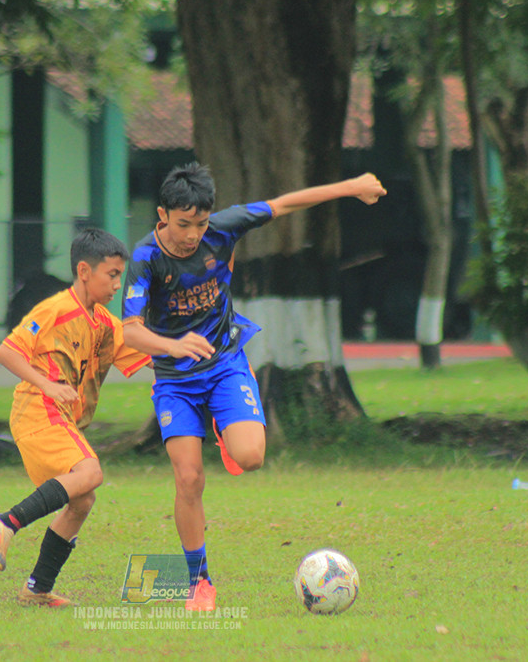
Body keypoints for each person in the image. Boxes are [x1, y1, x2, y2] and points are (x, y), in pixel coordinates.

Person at [120, 162, 387, 612]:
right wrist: (173, 344)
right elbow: (130, 331)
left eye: (200, 224)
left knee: (251, 457)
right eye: (184, 224)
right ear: (162, 215)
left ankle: (227, 433)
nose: (193, 234)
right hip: (175, 380)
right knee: (189, 478)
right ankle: (199, 583)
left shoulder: (223, 229)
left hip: (224, 364)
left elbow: (286, 202)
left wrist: (352, 186)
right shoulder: (145, 258)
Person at [0, 228, 151, 607]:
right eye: (112, 275)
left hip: (59, 418)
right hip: (38, 408)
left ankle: (36, 589)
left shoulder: (104, 322)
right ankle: (5, 522)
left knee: (82, 499)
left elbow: (145, 355)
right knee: (91, 473)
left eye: (121, 276)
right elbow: (7, 352)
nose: (118, 284)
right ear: (85, 271)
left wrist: (193, 354)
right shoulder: (54, 310)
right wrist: (49, 384)